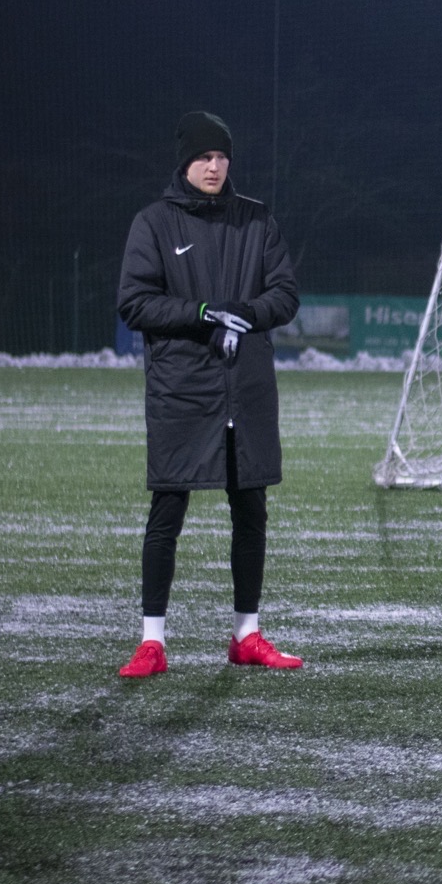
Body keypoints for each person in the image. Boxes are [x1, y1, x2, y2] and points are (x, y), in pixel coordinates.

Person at [115, 111, 303, 677]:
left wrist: (246, 311)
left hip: (245, 392)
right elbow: (135, 303)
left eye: (221, 157)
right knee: (166, 511)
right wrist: (200, 313)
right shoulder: (153, 223)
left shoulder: (257, 220)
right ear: (184, 163)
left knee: (251, 513)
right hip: (183, 391)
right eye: (203, 157)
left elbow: (285, 295)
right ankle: (152, 641)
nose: (214, 166)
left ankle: (246, 633)